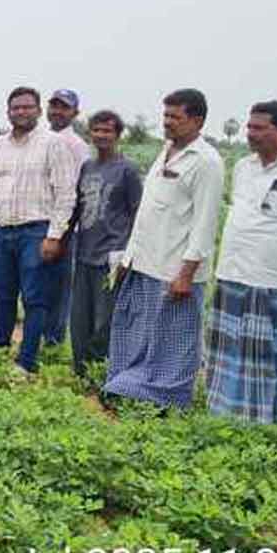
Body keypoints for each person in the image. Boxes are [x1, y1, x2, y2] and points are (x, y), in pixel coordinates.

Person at [105, 88, 224, 410]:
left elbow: (205, 224)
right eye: (165, 115)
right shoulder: (166, 150)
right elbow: (148, 211)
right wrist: (128, 257)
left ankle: (164, 403)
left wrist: (186, 274)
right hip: (144, 263)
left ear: (197, 120)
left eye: (175, 116)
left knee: (172, 343)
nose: (167, 122)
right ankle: (129, 392)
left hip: (174, 271)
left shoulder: (206, 162)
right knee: (134, 334)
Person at [205, 100, 277, 424]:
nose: (250, 133)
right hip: (231, 274)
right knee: (226, 353)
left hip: (271, 280)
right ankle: (223, 416)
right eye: (249, 127)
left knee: (265, 358)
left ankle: (265, 423)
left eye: (258, 127)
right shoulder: (243, 167)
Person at [0, 87, 77, 375]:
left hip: (36, 231)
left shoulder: (53, 144)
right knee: (1, 294)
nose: (21, 112)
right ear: (8, 112)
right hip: (2, 232)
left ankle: (26, 360)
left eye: (27, 107)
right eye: (16, 108)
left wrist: (54, 236)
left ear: (38, 111)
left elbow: (66, 194)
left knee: (35, 298)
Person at [68, 110, 142, 378]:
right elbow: (77, 209)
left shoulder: (128, 170)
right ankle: (80, 373)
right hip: (84, 253)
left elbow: (137, 214)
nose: (101, 136)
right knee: (79, 320)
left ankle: (102, 376)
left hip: (110, 258)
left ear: (117, 135)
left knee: (105, 321)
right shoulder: (87, 167)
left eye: (107, 131)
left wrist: (128, 256)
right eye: (96, 130)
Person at [44, 88, 89, 345]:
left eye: (64, 107)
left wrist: (63, 233)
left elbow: (78, 191)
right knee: (41, 286)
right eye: (54, 106)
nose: (57, 111)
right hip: (41, 224)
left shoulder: (76, 146)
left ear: (74, 113)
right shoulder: (42, 138)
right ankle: (39, 336)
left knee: (59, 289)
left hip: (63, 229)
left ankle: (52, 341)